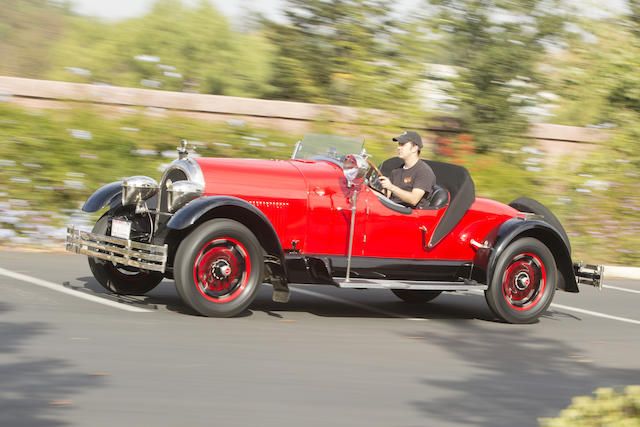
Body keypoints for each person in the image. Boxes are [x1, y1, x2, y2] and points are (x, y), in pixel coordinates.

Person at [378, 131, 435, 209]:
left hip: (408, 215)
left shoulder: (424, 172)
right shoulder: (396, 171)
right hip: (391, 209)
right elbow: (385, 195)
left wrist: (391, 187)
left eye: (402, 144)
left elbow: (414, 200)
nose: (398, 147)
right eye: (399, 144)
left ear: (414, 148)